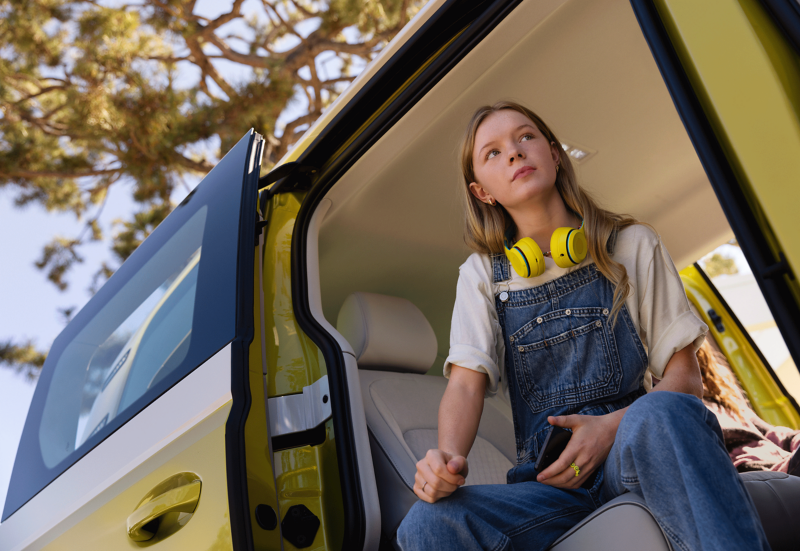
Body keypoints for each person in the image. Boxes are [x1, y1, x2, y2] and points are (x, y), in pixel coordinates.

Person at [396, 101, 771, 551]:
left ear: (555, 155)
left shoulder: (632, 245)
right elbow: (465, 385)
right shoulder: (481, 276)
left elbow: (685, 382)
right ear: (482, 193)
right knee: (425, 525)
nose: (514, 153)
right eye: (492, 152)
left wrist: (610, 427)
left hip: (632, 454)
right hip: (548, 487)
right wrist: (448, 458)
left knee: (663, 411)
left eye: (525, 137)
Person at [697, 339, 800, 476]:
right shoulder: (681, 411)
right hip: (759, 475)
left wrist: (795, 439)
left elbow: (770, 433)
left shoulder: (722, 398)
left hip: (783, 462)